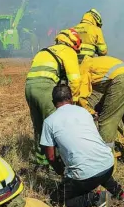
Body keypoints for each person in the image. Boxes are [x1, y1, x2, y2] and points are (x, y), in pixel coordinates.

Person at [40, 85, 124, 207]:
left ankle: (96, 198)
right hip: (108, 164)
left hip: (84, 176)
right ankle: (119, 192)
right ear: (71, 99)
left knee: (58, 200)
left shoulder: (49, 122)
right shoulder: (83, 112)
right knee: (95, 162)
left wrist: (62, 172)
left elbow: (51, 156)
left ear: (53, 103)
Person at [25, 29, 82, 167]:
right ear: (73, 44)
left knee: (39, 126)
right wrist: (73, 102)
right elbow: (75, 80)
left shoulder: (44, 51)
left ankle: (41, 162)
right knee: (55, 126)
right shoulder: (67, 51)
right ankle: (55, 164)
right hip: (45, 88)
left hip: (29, 87)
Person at [79, 55, 124, 166]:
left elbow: (81, 95)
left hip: (122, 81)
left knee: (107, 122)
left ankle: (104, 160)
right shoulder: (98, 61)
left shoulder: (84, 67)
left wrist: (88, 110)